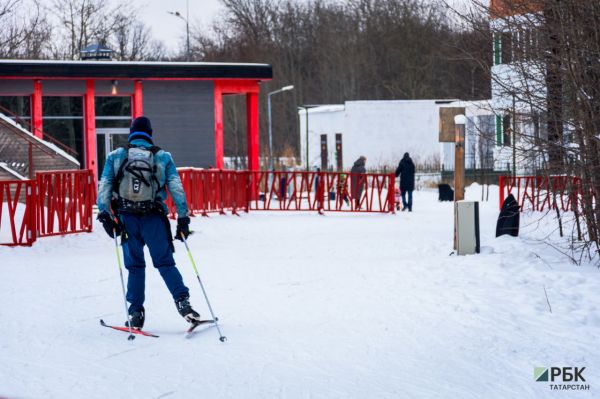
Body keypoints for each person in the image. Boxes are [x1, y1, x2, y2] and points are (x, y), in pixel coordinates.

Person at [96, 116, 202, 330]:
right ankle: (183, 303)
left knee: (135, 266)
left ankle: (136, 312)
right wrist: (183, 218)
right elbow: (176, 188)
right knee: (165, 263)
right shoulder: (162, 157)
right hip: (153, 218)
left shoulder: (116, 156)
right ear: (150, 134)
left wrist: (105, 214)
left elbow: (105, 185)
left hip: (127, 219)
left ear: (132, 133)